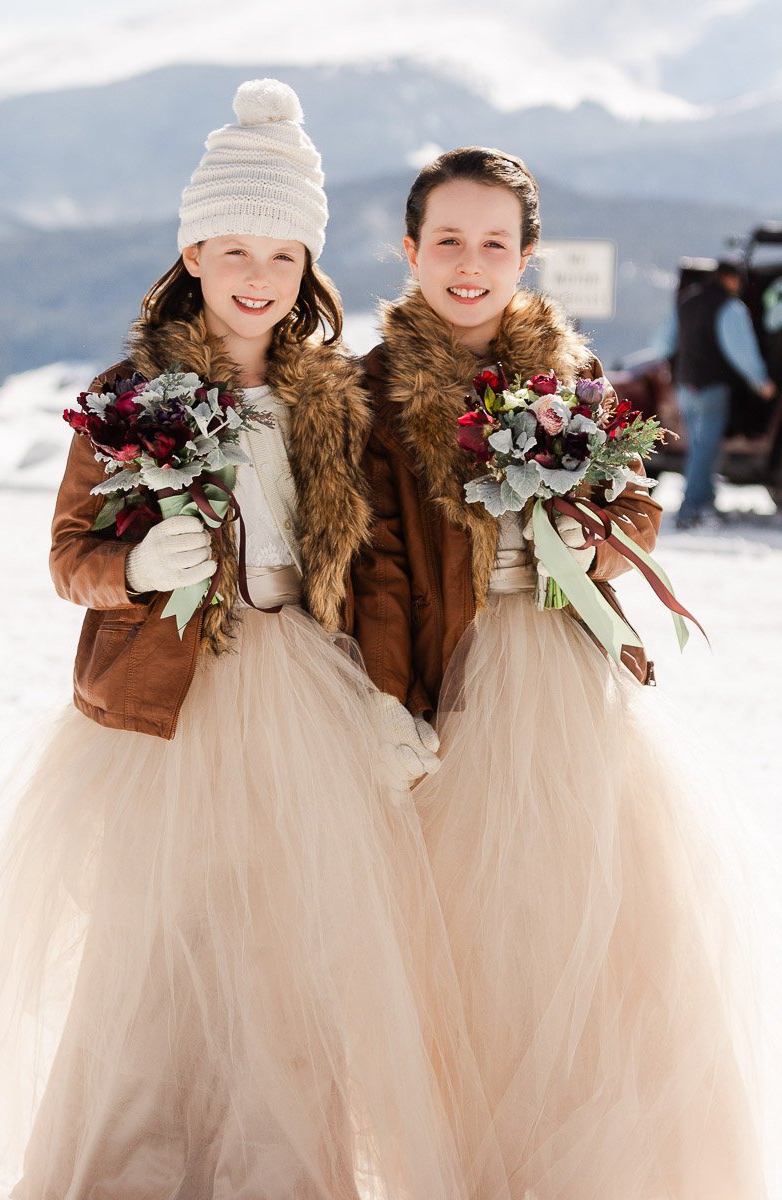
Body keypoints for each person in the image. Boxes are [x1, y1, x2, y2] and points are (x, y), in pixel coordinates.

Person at [0, 83, 502, 1200]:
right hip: (172, 707)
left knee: (286, 957)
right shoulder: (133, 398)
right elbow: (70, 551)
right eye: (233, 251)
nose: (256, 277)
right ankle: (130, 1169)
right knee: (156, 950)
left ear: (305, 266)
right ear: (193, 254)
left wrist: (381, 695)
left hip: (300, 696)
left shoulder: (329, 403)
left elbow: (368, 571)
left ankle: (277, 1173)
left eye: (280, 253)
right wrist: (130, 572)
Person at [351, 146, 768, 1199]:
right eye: (446, 240)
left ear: (525, 257)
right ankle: (466, 1158)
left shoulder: (569, 375)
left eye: (494, 243)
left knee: (582, 919)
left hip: (558, 672)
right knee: (461, 937)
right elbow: (378, 565)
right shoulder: (370, 389)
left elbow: (632, 493)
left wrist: (588, 540)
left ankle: (580, 1160)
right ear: (409, 250)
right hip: (453, 676)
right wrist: (395, 701)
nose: (467, 263)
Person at [661, 259, 775, 529]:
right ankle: (692, 509)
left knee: (697, 449)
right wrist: (760, 381)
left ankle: (702, 502)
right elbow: (740, 350)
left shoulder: (688, 300)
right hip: (712, 388)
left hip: (685, 386)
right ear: (731, 279)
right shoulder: (730, 306)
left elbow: (662, 343)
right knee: (706, 450)